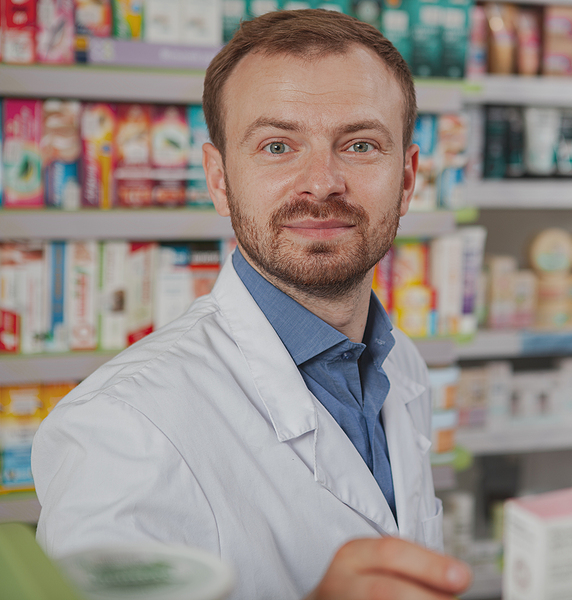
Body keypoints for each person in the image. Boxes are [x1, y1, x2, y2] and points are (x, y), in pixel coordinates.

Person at [31, 9, 471, 599]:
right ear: (219, 180)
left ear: (408, 177)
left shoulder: (398, 366)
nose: (322, 182)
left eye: (360, 144)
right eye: (277, 145)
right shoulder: (123, 428)